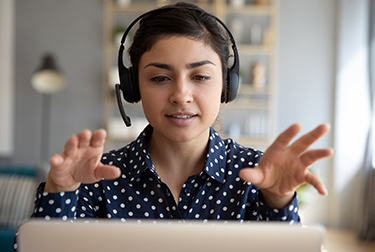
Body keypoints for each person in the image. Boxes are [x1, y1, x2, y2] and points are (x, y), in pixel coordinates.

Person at [26, 0, 333, 231]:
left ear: (227, 85)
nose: (181, 95)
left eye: (200, 76)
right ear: (134, 88)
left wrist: (277, 201)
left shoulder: (258, 176)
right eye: (160, 78)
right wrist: (60, 192)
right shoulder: (97, 178)